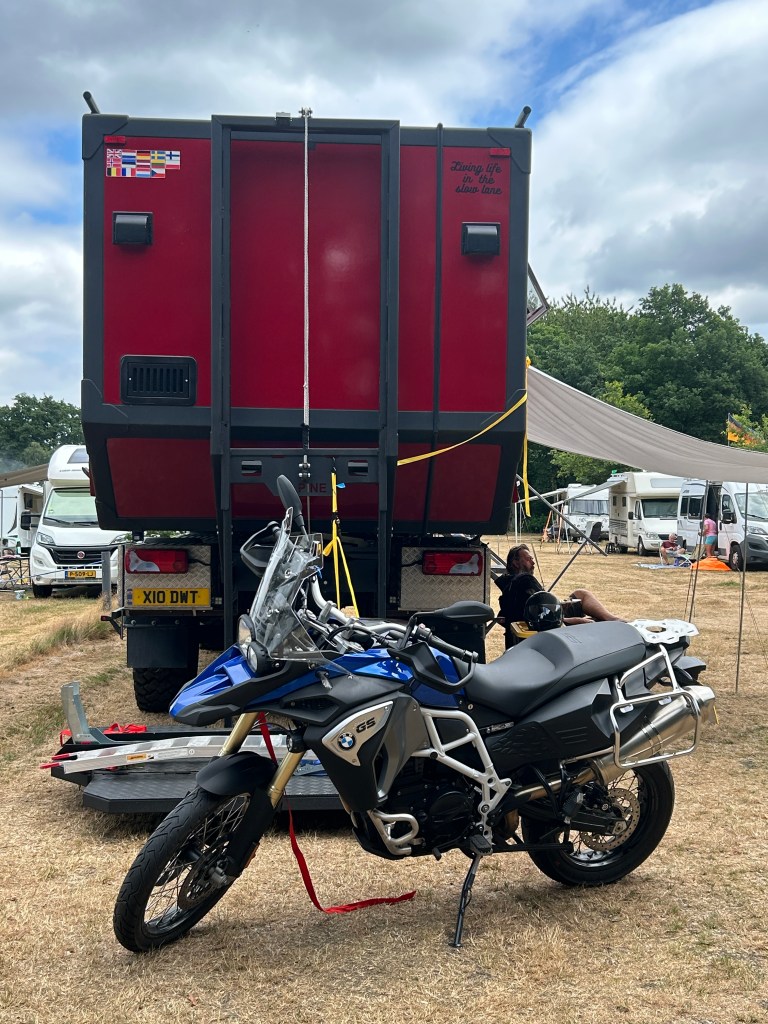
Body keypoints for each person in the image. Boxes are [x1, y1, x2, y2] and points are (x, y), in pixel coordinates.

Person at [495, 543, 622, 649]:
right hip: (549, 624)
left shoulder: (510, 585)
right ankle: (614, 620)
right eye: (528, 559)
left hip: (546, 618)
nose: (533, 562)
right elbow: (543, 619)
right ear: (516, 563)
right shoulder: (524, 581)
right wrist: (576, 620)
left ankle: (611, 619)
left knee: (580, 594)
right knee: (589, 611)